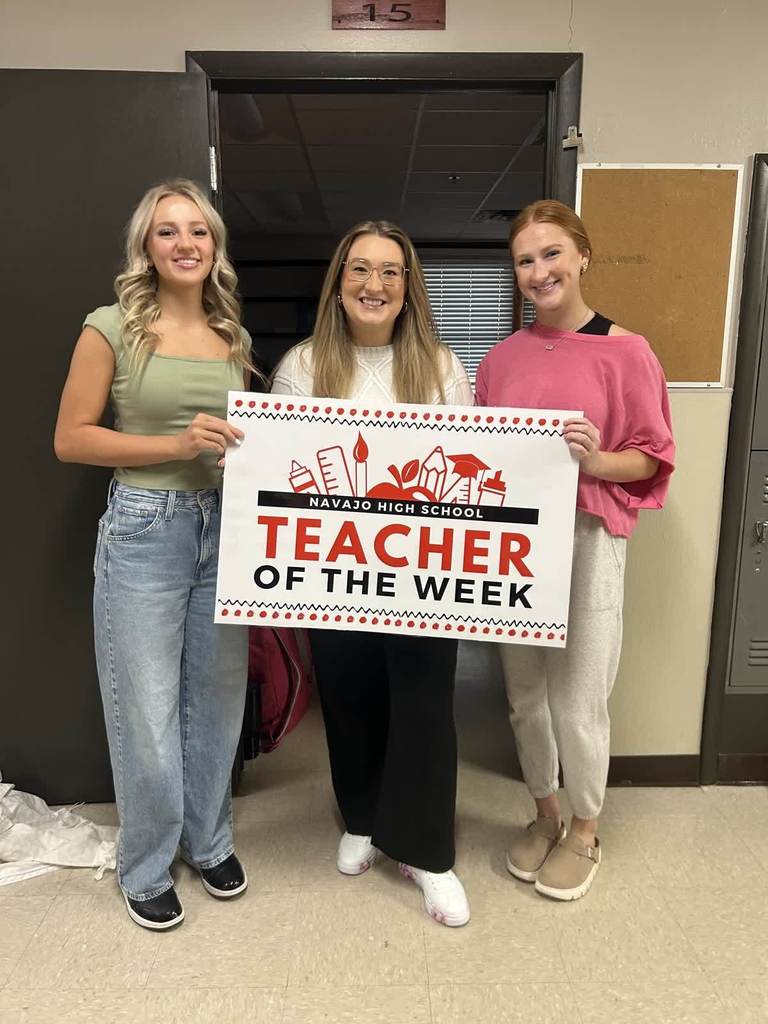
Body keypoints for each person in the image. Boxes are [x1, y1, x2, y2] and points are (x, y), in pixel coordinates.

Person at [54, 179, 254, 930]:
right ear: (146, 245)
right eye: (167, 231)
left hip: (224, 527)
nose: (185, 244)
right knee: (144, 707)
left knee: (217, 696)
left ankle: (208, 841)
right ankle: (145, 864)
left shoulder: (230, 334)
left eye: (197, 231)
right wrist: (174, 445)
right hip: (146, 524)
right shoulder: (110, 326)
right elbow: (72, 437)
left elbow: (247, 435)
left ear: (214, 246)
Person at [272, 220, 474, 926]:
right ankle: (361, 818)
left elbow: (464, 475)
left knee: (423, 708)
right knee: (352, 702)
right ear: (338, 285)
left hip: (422, 574)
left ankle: (429, 854)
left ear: (408, 288)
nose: (374, 285)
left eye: (389, 272)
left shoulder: (443, 367)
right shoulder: (303, 365)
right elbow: (283, 469)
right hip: (336, 574)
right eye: (359, 270)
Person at [475, 200, 675, 901]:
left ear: (582, 256)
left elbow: (652, 459)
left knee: (578, 694)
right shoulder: (500, 359)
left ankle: (586, 827)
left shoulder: (628, 352)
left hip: (587, 536)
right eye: (526, 260)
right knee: (525, 695)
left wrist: (598, 462)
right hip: (516, 543)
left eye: (552, 254)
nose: (539, 271)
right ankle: (544, 812)